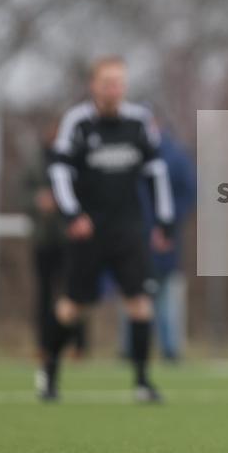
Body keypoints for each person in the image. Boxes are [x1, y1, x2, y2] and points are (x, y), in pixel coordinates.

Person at [41, 55, 174, 402]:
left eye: (119, 82)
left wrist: (163, 221)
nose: (113, 89)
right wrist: (72, 215)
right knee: (72, 305)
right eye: (107, 82)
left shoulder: (140, 120)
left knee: (139, 303)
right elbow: (58, 172)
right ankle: (49, 373)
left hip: (128, 228)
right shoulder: (78, 122)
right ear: (94, 86)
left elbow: (156, 173)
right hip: (88, 230)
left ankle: (143, 382)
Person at [121, 125, 196, 362]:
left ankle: (169, 349)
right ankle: (130, 350)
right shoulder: (125, 152)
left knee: (165, 295)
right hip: (131, 237)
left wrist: (167, 227)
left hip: (164, 240)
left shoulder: (174, 155)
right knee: (132, 292)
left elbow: (190, 192)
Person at [22, 121, 87, 361]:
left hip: (69, 237)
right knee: (45, 295)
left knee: (73, 293)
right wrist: (37, 201)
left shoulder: (76, 159)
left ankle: (78, 345)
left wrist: (63, 202)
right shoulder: (35, 162)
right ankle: (44, 345)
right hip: (43, 239)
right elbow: (22, 193)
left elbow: (86, 190)